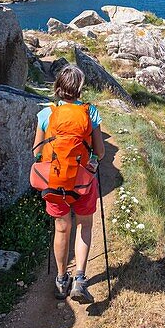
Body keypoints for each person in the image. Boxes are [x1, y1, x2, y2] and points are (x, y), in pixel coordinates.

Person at [33, 65, 107, 303]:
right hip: (83, 181)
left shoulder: (47, 113)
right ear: (80, 89)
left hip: (55, 182)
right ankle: (80, 280)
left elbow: (37, 151)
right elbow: (101, 152)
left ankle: (60, 278)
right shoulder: (90, 112)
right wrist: (93, 162)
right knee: (84, 226)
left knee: (62, 227)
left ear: (58, 87)